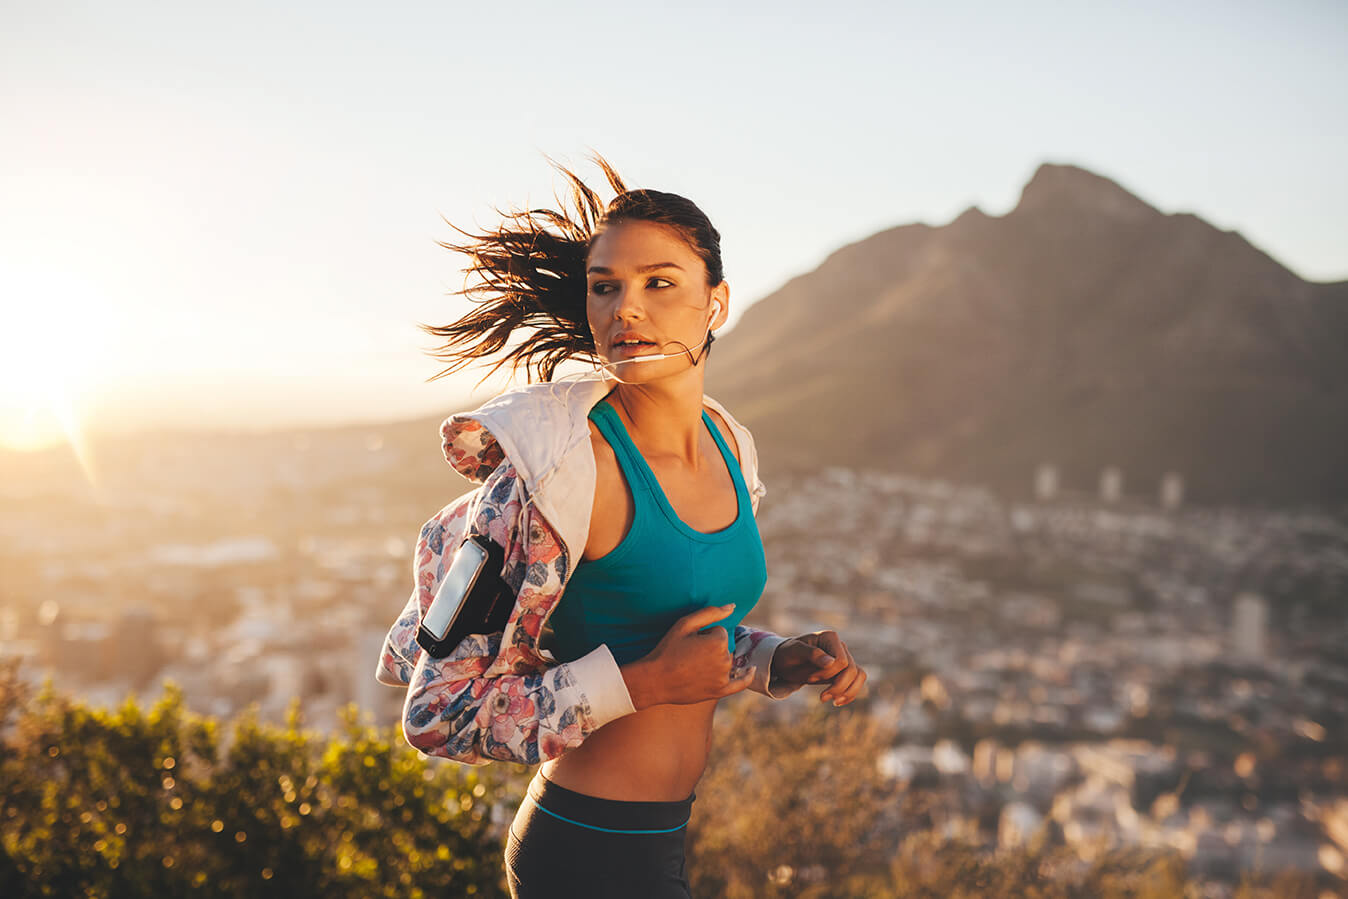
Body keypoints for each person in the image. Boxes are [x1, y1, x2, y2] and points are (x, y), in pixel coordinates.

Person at [375, 152, 866, 898]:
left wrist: (771, 659)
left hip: (666, 834)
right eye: (605, 287)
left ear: (717, 302)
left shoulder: (730, 445)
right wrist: (646, 682)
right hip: (581, 850)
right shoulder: (554, 476)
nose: (624, 308)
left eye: (658, 283)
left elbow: (665, 623)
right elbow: (437, 713)